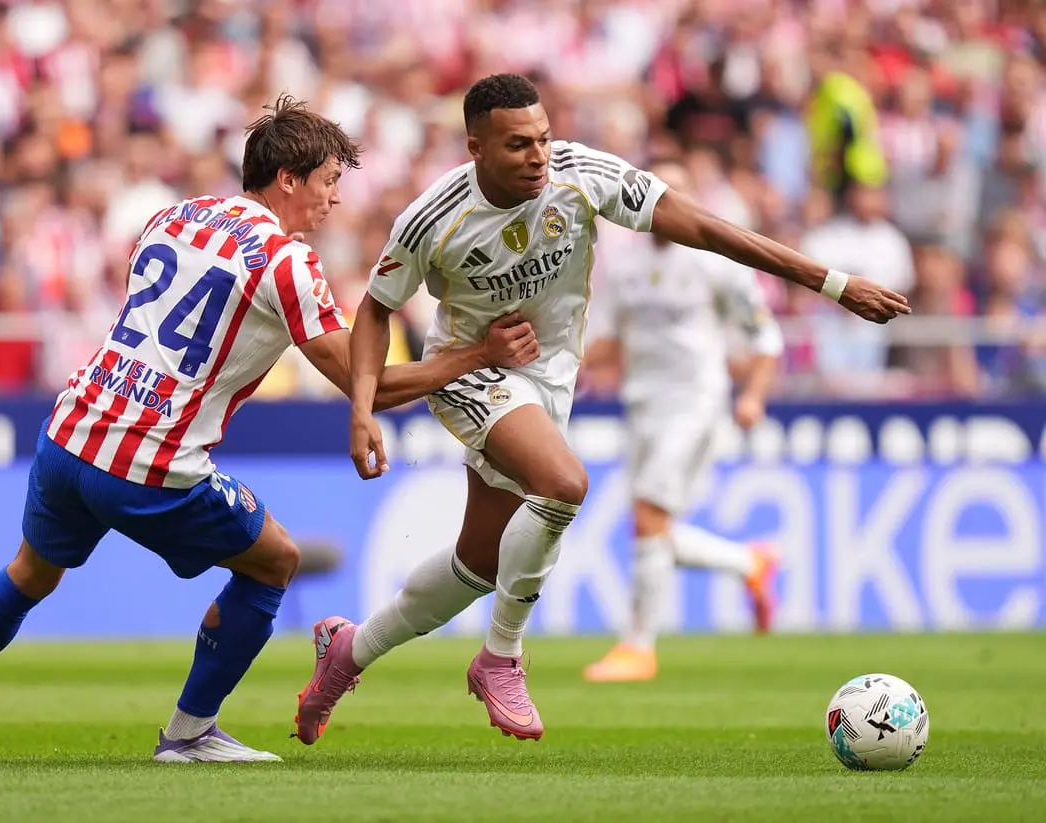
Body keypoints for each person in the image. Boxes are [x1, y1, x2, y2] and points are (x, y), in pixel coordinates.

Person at [0, 96, 540, 763]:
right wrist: (475, 354)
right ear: (287, 179)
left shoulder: (173, 215)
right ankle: (188, 733)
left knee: (31, 569)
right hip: (150, 459)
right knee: (275, 560)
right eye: (327, 182)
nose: (334, 201)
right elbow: (363, 377)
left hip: (71, 428)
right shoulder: (285, 261)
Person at [294, 73, 908, 745]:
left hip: (548, 380)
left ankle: (347, 652)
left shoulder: (582, 175)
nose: (537, 155)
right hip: (473, 370)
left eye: (544, 139)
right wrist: (361, 408)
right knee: (563, 484)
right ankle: (501, 656)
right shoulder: (432, 218)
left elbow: (703, 225)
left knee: (479, 563)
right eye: (518, 144)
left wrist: (832, 282)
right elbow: (376, 310)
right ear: (475, 147)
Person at [579, 158, 784, 683]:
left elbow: (764, 335)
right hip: (642, 404)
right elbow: (607, 340)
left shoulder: (717, 263)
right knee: (652, 529)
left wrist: (753, 397)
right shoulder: (624, 266)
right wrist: (562, 368)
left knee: (648, 515)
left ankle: (638, 647)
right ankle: (750, 564)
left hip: (695, 402)